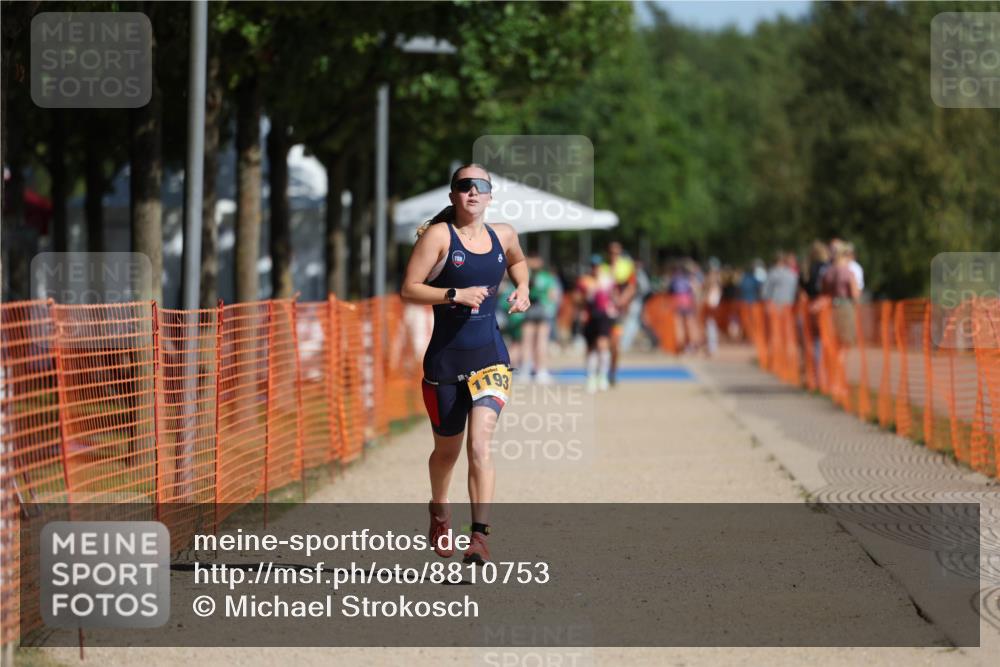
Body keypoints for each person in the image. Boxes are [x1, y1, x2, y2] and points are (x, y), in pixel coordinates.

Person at [400, 164, 530, 565]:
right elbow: (408, 289)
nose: (473, 192)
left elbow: (518, 260)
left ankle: (479, 537)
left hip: (490, 357)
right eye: (464, 186)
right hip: (445, 361)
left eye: (481, 187)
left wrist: (523, 287)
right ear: (453, 194)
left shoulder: (503, 234)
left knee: (480, 446)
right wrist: (454, 293)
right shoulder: (440, 237)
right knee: (446, 453)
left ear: (491, 195)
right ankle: (440, 511)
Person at [575, 254, 617, 392]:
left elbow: (614, 295)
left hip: (603, 315)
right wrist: (585, 301)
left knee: (603, 344)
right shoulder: (585, 281)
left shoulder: (607, 280)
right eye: (593, 266)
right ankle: (591, 377)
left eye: (597, 266)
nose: (595, 268)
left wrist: (613, 306)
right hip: (590, 317)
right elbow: (577, 298)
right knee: (591, 347)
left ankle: (602, 376)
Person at [520, 251, 560, 384]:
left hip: (533, 308)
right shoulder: (546, 277)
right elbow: (553, 296)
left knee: (532, 341)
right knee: (535, 341)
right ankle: (538, 371)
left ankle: (531, 370)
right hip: (539, 308)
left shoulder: (526, 275)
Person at [607, 242, 637, 385]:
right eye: (611, 253)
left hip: (618, 312)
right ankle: (600, 371)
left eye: (616, 253)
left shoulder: (626, 267)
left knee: (615, 344)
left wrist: (621, 300)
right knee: (601, 343)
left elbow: (632, 287)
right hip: (603, 311)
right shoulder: (603, 267)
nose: (614, 256)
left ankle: (612, 371)